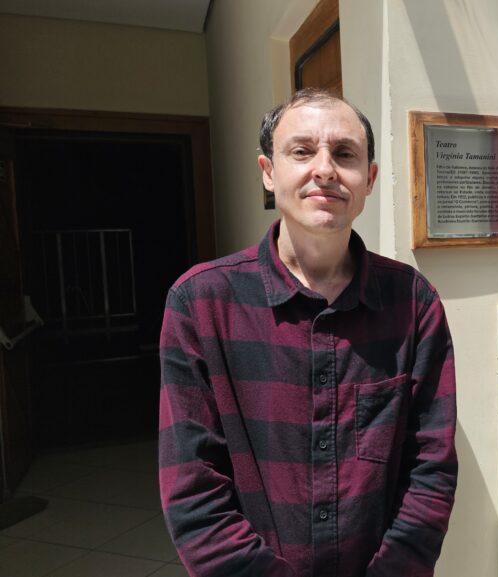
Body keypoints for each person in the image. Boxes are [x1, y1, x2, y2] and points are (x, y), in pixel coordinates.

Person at [158, 88, 458, 577]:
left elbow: (431, 469)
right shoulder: (200, 304)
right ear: (268, 172)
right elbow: (193, 488)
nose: (324, 169)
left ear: (370, 179)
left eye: (345, 154)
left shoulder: (413, 304)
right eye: (301, 151)